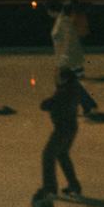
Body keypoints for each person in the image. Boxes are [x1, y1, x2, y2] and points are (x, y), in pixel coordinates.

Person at [39, 69, 83, 197]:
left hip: (63, 129)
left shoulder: (63, 92)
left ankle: (50, 189)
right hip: (71, 127)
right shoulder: (72, 88)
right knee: (62, 154)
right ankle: (74, 185)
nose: (55, 79)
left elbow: (46, 105)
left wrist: (47, 103)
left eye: (58, 77)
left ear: (64, 79)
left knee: (48, 156)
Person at [48, 0, 85, 78]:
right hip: (66, 59)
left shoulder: (63, 21)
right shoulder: (60, 20)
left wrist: (64, 56)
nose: (48, 14)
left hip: (68, 59)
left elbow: (68, 39)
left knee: (72, 81)